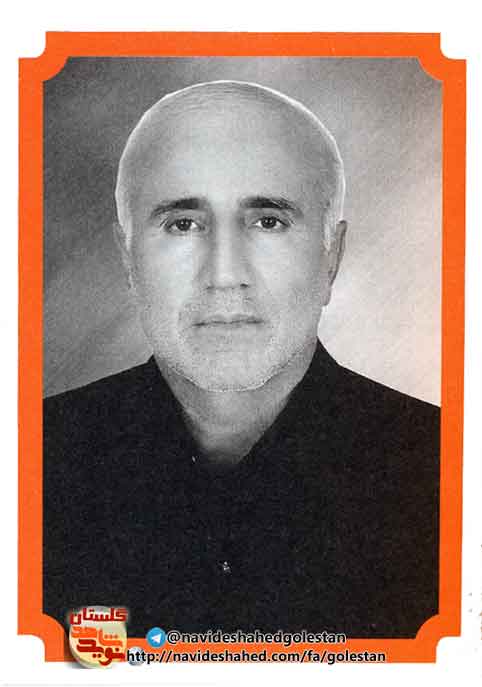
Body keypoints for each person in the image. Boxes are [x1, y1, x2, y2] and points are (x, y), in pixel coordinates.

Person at [43, 80, 439, 639]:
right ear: (129, 261)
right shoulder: (29, 463)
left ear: (331, 256)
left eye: (268, 221)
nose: (225, 275)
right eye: (183, 224)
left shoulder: (449, 473)